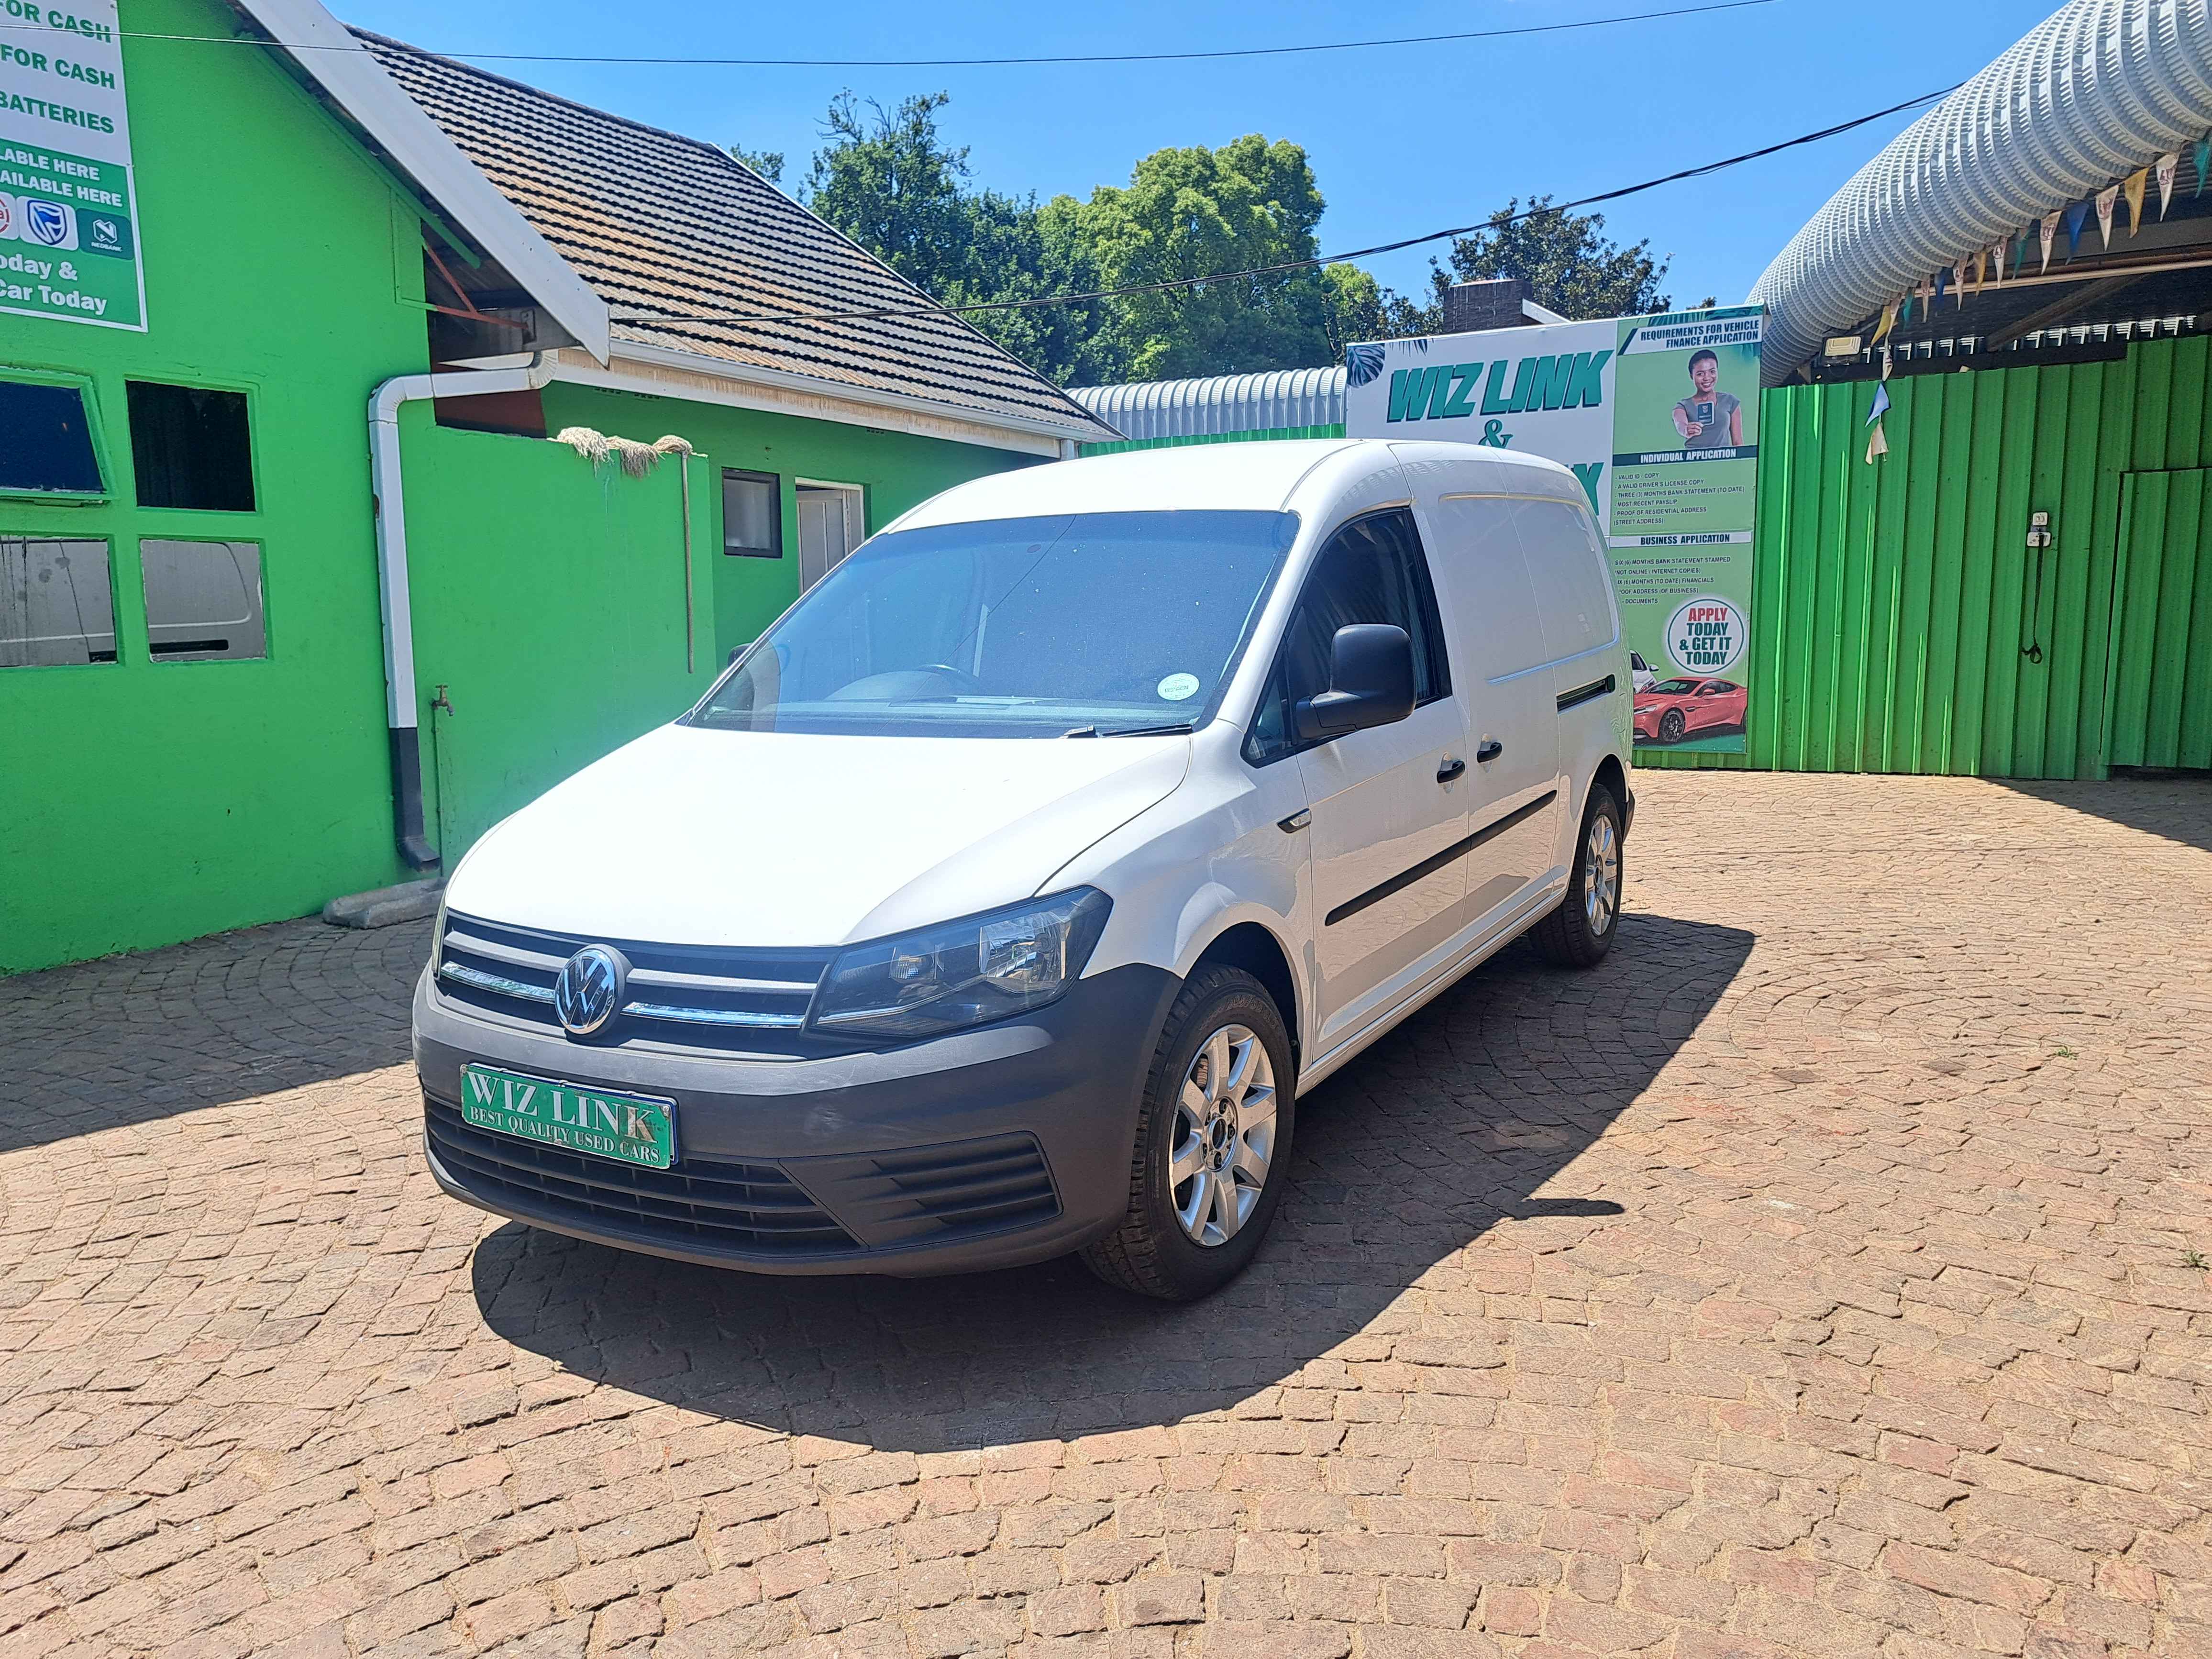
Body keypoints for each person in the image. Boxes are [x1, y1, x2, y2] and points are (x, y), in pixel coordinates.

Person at [1671, 349, 1743, 449]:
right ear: (1692, 376)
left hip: (1722, 461)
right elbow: (1680, 423)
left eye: (1712, 372)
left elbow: (1738, 443)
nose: (1707, 378)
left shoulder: (1730, 401)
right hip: (1693, 461)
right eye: (1700, 374)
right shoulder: (1683, 405)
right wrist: (1686, 430)